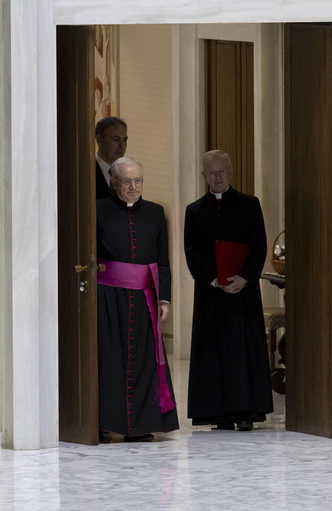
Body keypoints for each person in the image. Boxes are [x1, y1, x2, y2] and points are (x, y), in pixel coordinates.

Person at [184, 150, 273, 431]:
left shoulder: (249, 204)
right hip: (211, 294)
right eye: (212, 172)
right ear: (203, 176)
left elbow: (259, 244)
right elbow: (192, 250)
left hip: (242, 293)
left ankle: (245, 411)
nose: (217, 177)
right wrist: (213, 279)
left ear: (231, 172)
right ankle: (217, 413)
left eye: (222, 171)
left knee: (242, 351)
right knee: (213, 352)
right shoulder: (194, 210)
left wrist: (245, 277)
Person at [96, 157, 179, 441]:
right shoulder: (98, 210)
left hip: (145, 300)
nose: (134, 187)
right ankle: (108, 424)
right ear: (114, 183)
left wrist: (165, 299)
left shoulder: (155, 212)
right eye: (127, 181)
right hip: (109, 299)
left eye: (138, 181)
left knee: (143, 362)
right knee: (111, 361)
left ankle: (141, 426)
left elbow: (163, 261)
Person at [94, 117, 128, 199]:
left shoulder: (127, 172)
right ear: (100, 140)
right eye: (116, 139)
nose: (121, 145)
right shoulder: (86, 171)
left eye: (125, 140)